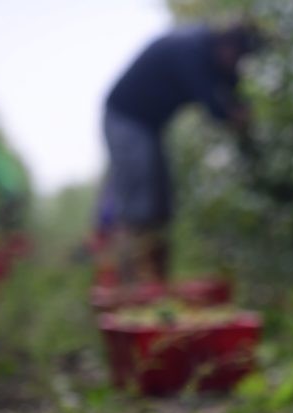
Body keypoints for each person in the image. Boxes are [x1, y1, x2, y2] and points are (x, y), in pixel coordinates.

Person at [100, 22, 264, 283]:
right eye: (238, 58)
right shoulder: (190, 49)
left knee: (161, 204)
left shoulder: (214, 55)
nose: (237, 66)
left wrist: (243, 112)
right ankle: (128, 283)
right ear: (227, 46)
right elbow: (211, 102)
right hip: (125, 119)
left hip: (149, 126)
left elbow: (232, 90)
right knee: (139, 202)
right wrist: (236, 117)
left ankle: (155, 284)